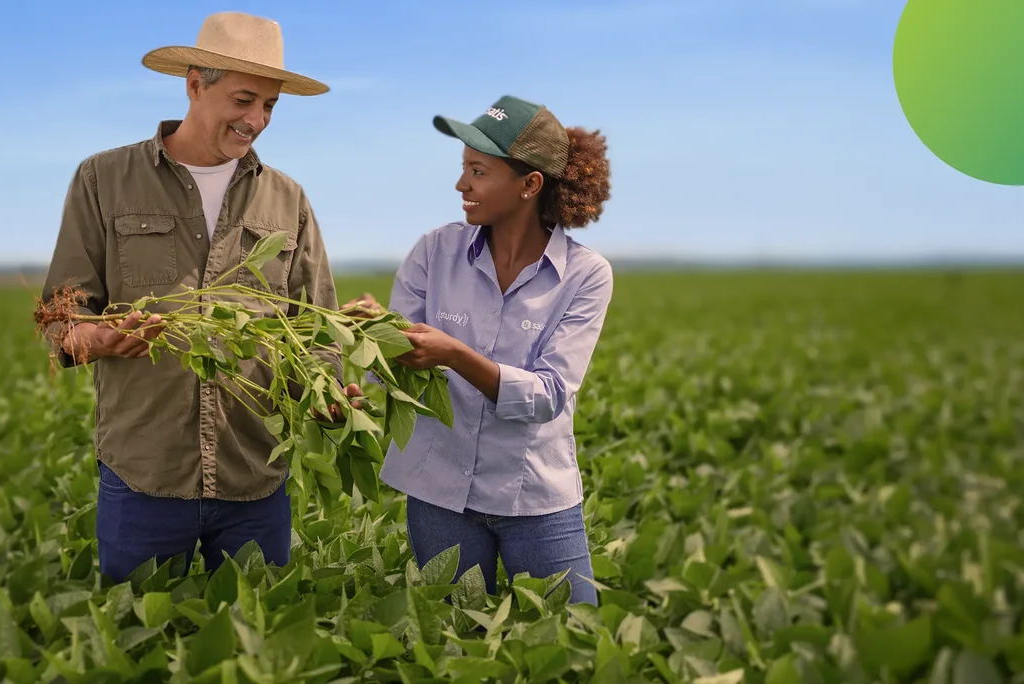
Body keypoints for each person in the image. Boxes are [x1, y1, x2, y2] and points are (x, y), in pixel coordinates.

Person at [37, 11, 348, 584]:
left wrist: (330, 393)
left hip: (255, 475)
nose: (257, 120)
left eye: (270, 106)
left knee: (257, 649)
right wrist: (99, 338)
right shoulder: (102, 179)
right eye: (244, 99)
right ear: (194, 85)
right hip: (143, 476)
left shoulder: (288, 199)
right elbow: (62, 320)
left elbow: (316, 327)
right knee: (138, 653)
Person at [355, 95, 615, 605]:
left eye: (478, 171)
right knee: (455, 641)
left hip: (534, 494)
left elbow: (549, 395)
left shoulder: (586, 276)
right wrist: (373, 336)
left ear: (529, 185)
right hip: (438, 490)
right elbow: (395, 372)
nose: (461, 185)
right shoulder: (434, 250)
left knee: (572, 635)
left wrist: (455, 354)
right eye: (463, 168)